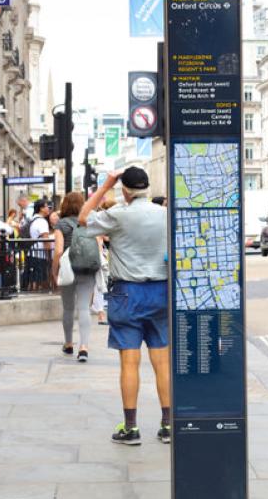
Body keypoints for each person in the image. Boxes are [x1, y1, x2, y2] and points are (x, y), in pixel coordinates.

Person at [79, 166, 171, 445]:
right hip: (161, 290)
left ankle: (130, 428)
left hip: (126, 293)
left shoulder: (118, 214)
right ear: (147, 187)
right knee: (162, 361)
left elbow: (83, 218)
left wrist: (105, 185)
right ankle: (168, 425)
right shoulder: (166, 214)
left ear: (126, 190)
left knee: (129, 362)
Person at [52, 192, 97, 363]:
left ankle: (69, 343)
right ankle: (84, 347)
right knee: (84, 308)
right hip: (87, 268)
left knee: (68, 308)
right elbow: (98, 244)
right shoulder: (88, 222)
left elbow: (58, 251)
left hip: (68, 269)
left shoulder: (61, 225)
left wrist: (54, 271)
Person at [22, 199, 50, 291]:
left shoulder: (33, 219)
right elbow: (46, 240)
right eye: (46, 206)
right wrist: (48, 255)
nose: (48, 208)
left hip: (32, 252)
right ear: (41, 208)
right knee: (40, 280)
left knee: (33, 280)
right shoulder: (42, 221)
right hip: (40, 254)